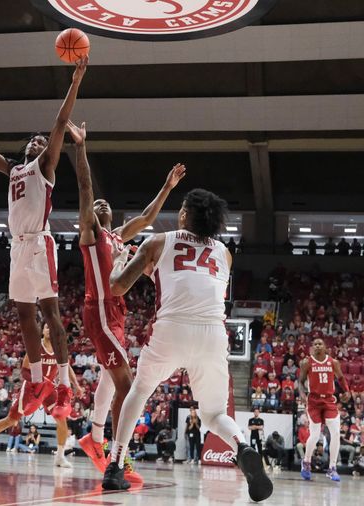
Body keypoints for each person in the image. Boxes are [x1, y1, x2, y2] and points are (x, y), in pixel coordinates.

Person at [102, 188, 272, 502]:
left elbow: (117, 286)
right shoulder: (225, 252)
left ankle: (114, 465)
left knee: (140, 389)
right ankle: (242, 446)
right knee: (213, 414)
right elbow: (197, 282)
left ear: (183, 214)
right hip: (213, 333)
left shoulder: (157, 241)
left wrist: (117, 261)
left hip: (172, 328)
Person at [0, 57, 87, 421]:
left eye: (42, 142)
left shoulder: (44, 167)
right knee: (24, 316)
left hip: (40, 243)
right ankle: (37, 381)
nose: (39, 143)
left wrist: (76, 81)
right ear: (25, 148)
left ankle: (64, 384)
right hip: (18, 246)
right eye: (34, 141)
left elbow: (58, 122)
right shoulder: (13, 169)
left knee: (51, 314)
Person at [67, 119, 185, 476]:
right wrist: (81, 148)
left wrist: (167, 186)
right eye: (96, 204)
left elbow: (149, 216)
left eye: (106, 203)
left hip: (116, 310)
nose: (102, 203)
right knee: (126, 385)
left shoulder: (118, 235)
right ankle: (114, 453)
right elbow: (87, 189)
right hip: (101, 309)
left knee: (110, 377)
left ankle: (96, 439)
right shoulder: (91, 234)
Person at [0, 324, 82, 468]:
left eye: (51, 327)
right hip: (31, 388)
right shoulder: (36, 347)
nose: (49, 329)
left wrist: (76, 385)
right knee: (11, 420)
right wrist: (38, 381)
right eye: (47, 327)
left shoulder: (60, 349)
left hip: (49, 389)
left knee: (61, 418)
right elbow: (24, 371)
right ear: (42, 330)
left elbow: (67, 367)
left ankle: (59, 456)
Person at [298, 338, 351, 482]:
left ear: (325, 347)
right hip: (314, 401)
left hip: (329, 400)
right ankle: (307, 462)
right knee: (315, 435)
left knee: (335, 433)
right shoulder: (306, 362)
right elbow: (300, 381)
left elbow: (341, 378)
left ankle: (332, 468)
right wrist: (302, 394)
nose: (317, 346)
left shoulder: (333, 362)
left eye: (320, 343)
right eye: (314, 344)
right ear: (312, 347)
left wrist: (347, 391)